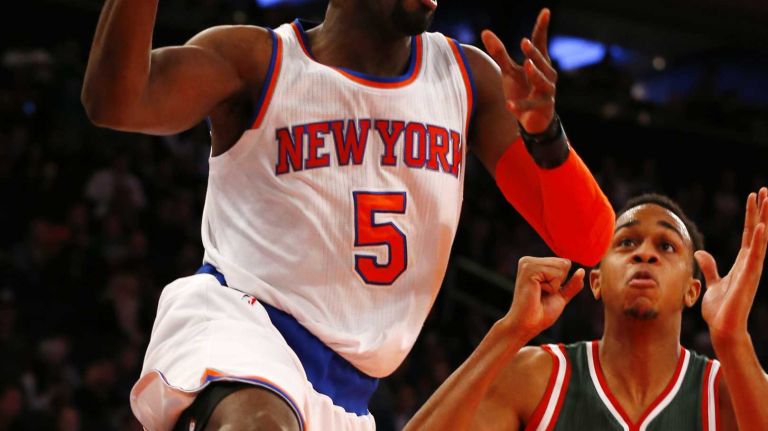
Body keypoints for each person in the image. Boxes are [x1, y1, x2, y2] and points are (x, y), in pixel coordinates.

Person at [81, 1, 615, 429]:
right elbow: (116, 103)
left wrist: (546, 136)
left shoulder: (467, 78)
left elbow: (590, 246)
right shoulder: (258, 61)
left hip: (349, 396)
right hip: (242, 326)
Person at [405, 188, 768, 430]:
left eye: (667, 246)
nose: (644, 253)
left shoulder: (725, 391)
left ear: (692, 290)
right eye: (626, 242)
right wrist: (509, 332)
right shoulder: (538, 378)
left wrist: (733, 338)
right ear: (597, 281)